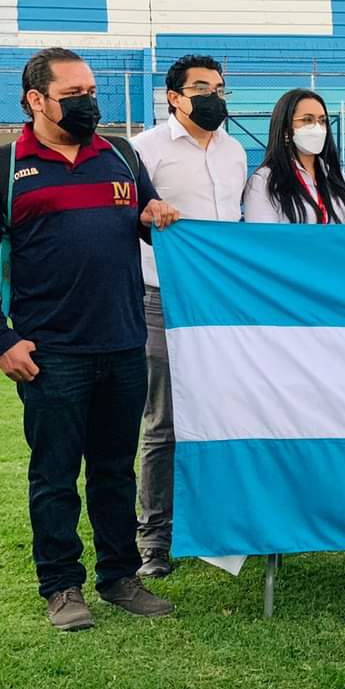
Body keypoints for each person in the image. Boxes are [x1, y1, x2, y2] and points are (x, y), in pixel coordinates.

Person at [0, 47, 180, 631]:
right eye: (73, 94)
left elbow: (146, 225)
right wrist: (2, 342)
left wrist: (156, 216)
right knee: (54, 476)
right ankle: (61, 586)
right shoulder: (2, 167)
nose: (88, 102)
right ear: (35, 100)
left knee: (115, 471)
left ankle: (119, 577)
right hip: (50, 355)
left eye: (91, 91)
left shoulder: (122, 156)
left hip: (124, 345)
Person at [132, 55, 248, 578]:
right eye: (201, 87)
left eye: (219, 88)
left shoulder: (234, 152)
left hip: (221, 304)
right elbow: (130, 219)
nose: (213, 96)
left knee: (227, 410)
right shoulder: (145, 149)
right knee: (164, 422)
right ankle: (154, 537)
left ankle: (219, 522)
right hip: (164, 297)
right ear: (174, 97)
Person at [244, 89, 345, 224]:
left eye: (322, 121)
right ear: (286, 129)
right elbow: (263, 236)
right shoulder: (263, 182)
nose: (317, 128)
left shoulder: (340, 179)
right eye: (307, 120)